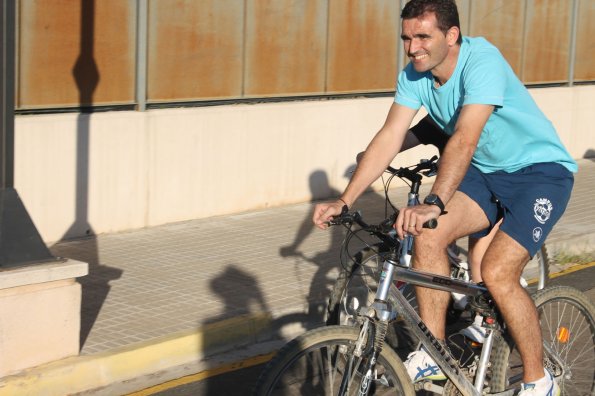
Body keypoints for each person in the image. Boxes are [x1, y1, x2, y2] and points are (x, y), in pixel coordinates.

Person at [312, 1, 576, 395]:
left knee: (498, 272)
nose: (412, 46)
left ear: (451, 36)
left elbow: (465, 137)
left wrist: (434, 201)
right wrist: (345, 199)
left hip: (538, 175)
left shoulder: (482, 61)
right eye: (406, 37)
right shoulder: (415, 75)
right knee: (428, 237)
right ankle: (434, 355)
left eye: (422, 36)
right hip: (488, 174)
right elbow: (390, 136)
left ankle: (540, 380)